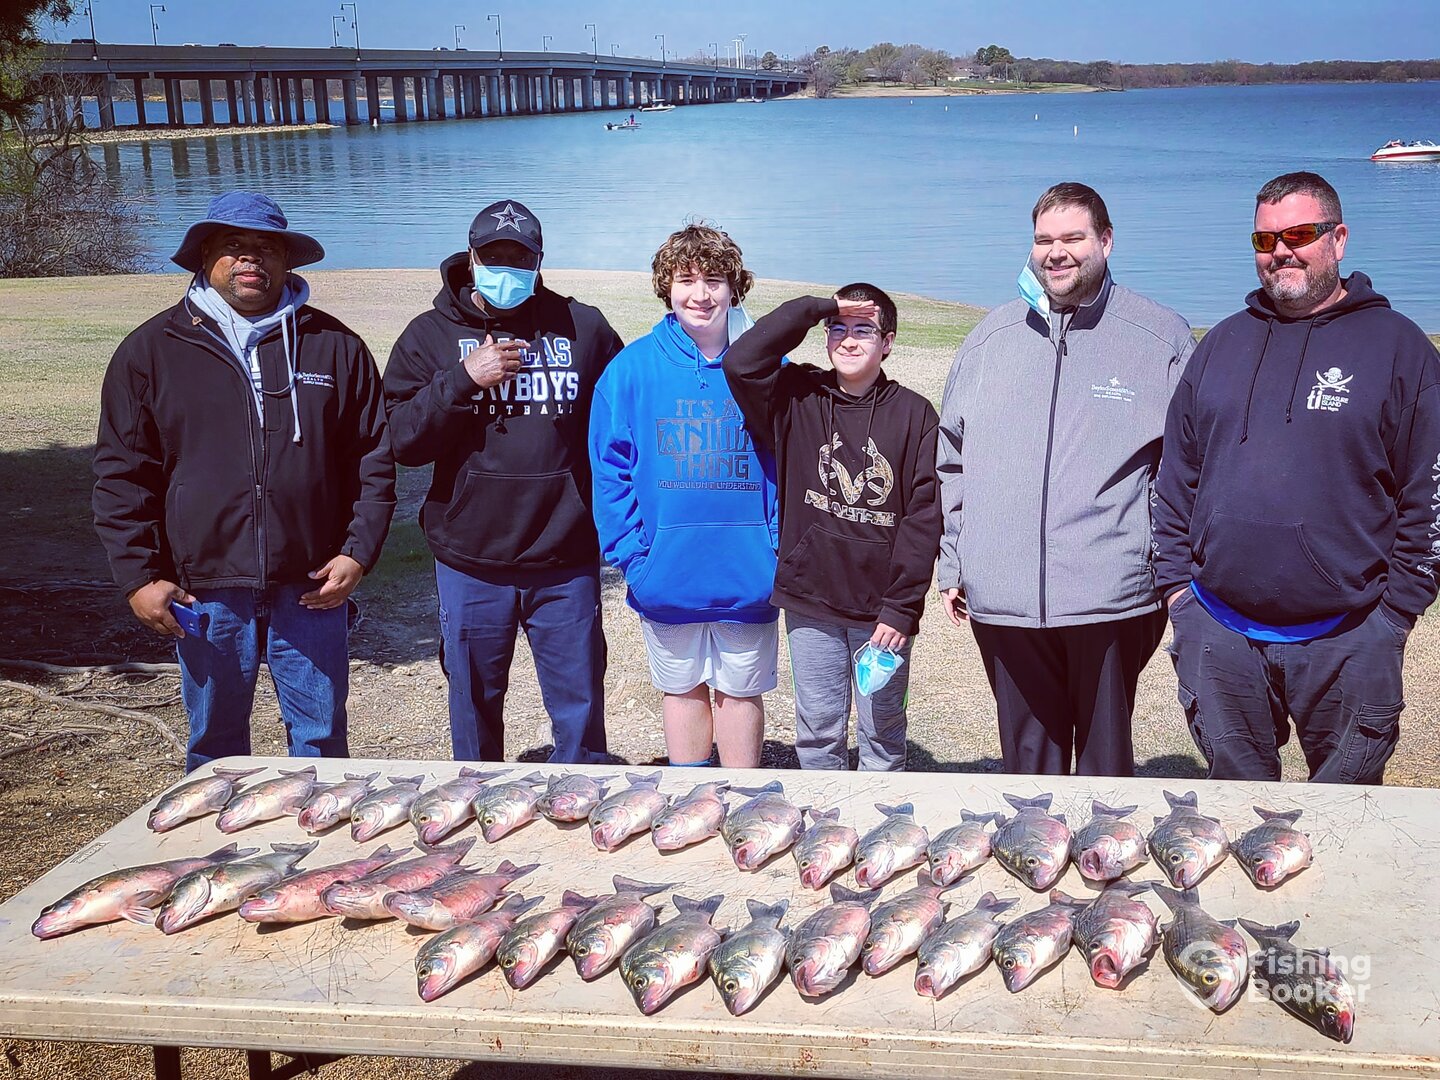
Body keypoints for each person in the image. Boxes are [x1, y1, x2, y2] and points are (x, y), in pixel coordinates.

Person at [93, 191, 396, 773]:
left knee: (321, 741)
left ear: (288, 261)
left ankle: (315, 833)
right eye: (233, 246)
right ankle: (215, 834)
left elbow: (372, 460)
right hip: (204, 588)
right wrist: (139, 577)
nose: (250, 258)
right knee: (215, 745)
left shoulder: (336, 347)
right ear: (205, 256)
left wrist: (358, 551)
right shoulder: (151, 351)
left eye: (266, 247)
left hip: (312, 583)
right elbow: (122, 474)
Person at [1153, 171, 1440, 784]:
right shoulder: (1221, 345)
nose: (1280, 250)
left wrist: (1397, 613)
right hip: (1220, 630)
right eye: (1265, 239)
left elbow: (1430, 492)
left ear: (1338, 239)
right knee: (1236, 809)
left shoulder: (1399, 348)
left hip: (1351, 635)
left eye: (1299, 234)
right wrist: (1178, 593)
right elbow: (1176, 478)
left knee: (1347, 814)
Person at [937, 182, 1195, 777]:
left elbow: (1187, 466)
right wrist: (956, 560)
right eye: (1043, 239)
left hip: (1111, 595)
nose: (1056, 252)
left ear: (1106, 241)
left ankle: (1104, 839)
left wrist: (1162, 562)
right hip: (1004, 599)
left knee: (1105, 769)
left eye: (1073, 238)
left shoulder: (1159, 337)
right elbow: (952, 458)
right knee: (1029, 770)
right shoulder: (990, 338)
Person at [384, 199, 623, 765]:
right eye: (495, 258)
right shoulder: (427, 336)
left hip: (565, 556)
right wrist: (462, 380)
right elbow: (402, 443)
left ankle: (579, 790)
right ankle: (474, 795)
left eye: (521, 259)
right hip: (471, 559)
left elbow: (622, 421)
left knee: (580, 703)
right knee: (473, 701)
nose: (507, 270)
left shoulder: (583, 327)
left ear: (539, 262)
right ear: (471, 258)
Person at [723, 285, 940, 771]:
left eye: (864, 330)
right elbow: (741, 361)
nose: (848, 340)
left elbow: (924, 518)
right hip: (811, 598)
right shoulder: (796, 395)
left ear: (888, 342)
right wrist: (818, 307)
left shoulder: (915, 415)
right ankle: (826, 812)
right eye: (837, 329)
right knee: (818, 729)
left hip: (879, 613)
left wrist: (902, 607)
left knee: (882, 731)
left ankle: (881, 815)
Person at [589, 223, 779, 768]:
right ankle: (691, 790)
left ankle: (742, 795)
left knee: (740, 691)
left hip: (750, 571)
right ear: (666, 287)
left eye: (714, 280)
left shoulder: (767, 369)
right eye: (686, 280)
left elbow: (792, 460)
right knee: (682, 689)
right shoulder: (630, 371)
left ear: (734, 288)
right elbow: (610, 472)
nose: (701, 294)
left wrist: (777, 545)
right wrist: (634, 558)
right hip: (665, 571)